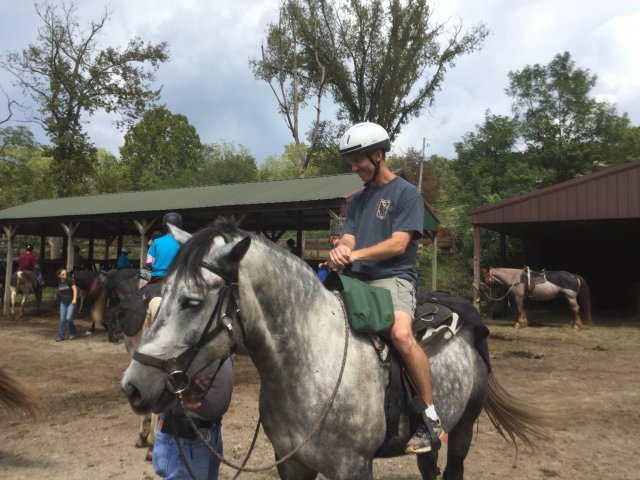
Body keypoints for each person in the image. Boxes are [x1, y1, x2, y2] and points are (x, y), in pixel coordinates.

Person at [328, 121, 446, 454]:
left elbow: (397, 245)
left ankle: (430, 418)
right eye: (351, 161)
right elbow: (349, 237)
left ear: (378, 155)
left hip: (393, 278)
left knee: (400, 335)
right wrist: (340, 251)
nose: (354, 168)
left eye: (358, 160)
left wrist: (355, 254)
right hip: (358, 280)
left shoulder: (407, 194)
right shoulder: (358, 200)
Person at [153, 357, 233, 480]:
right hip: (185, 439)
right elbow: (150, 366)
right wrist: (178, 383)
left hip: (209, 432)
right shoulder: (169, 338)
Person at [146, 213, 183, 282]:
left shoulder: (157, 242)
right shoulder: (184, 242)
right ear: (179, 225)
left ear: (164, 225)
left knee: (141, 286)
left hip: (156, 276)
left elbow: (148, 263)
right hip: (177, 276)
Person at [55, 268, 77, 342]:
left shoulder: (70, 280)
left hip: (71, 302)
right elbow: (59, 291)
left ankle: (73, 332)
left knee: (68, 318)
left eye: (65, 273)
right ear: (59, 276)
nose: (65, 275)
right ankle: (61, 336)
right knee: (62, 320)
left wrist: (74, 299)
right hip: (63, 303)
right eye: (63, 274)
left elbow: (74, 289)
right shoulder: (59, 282)